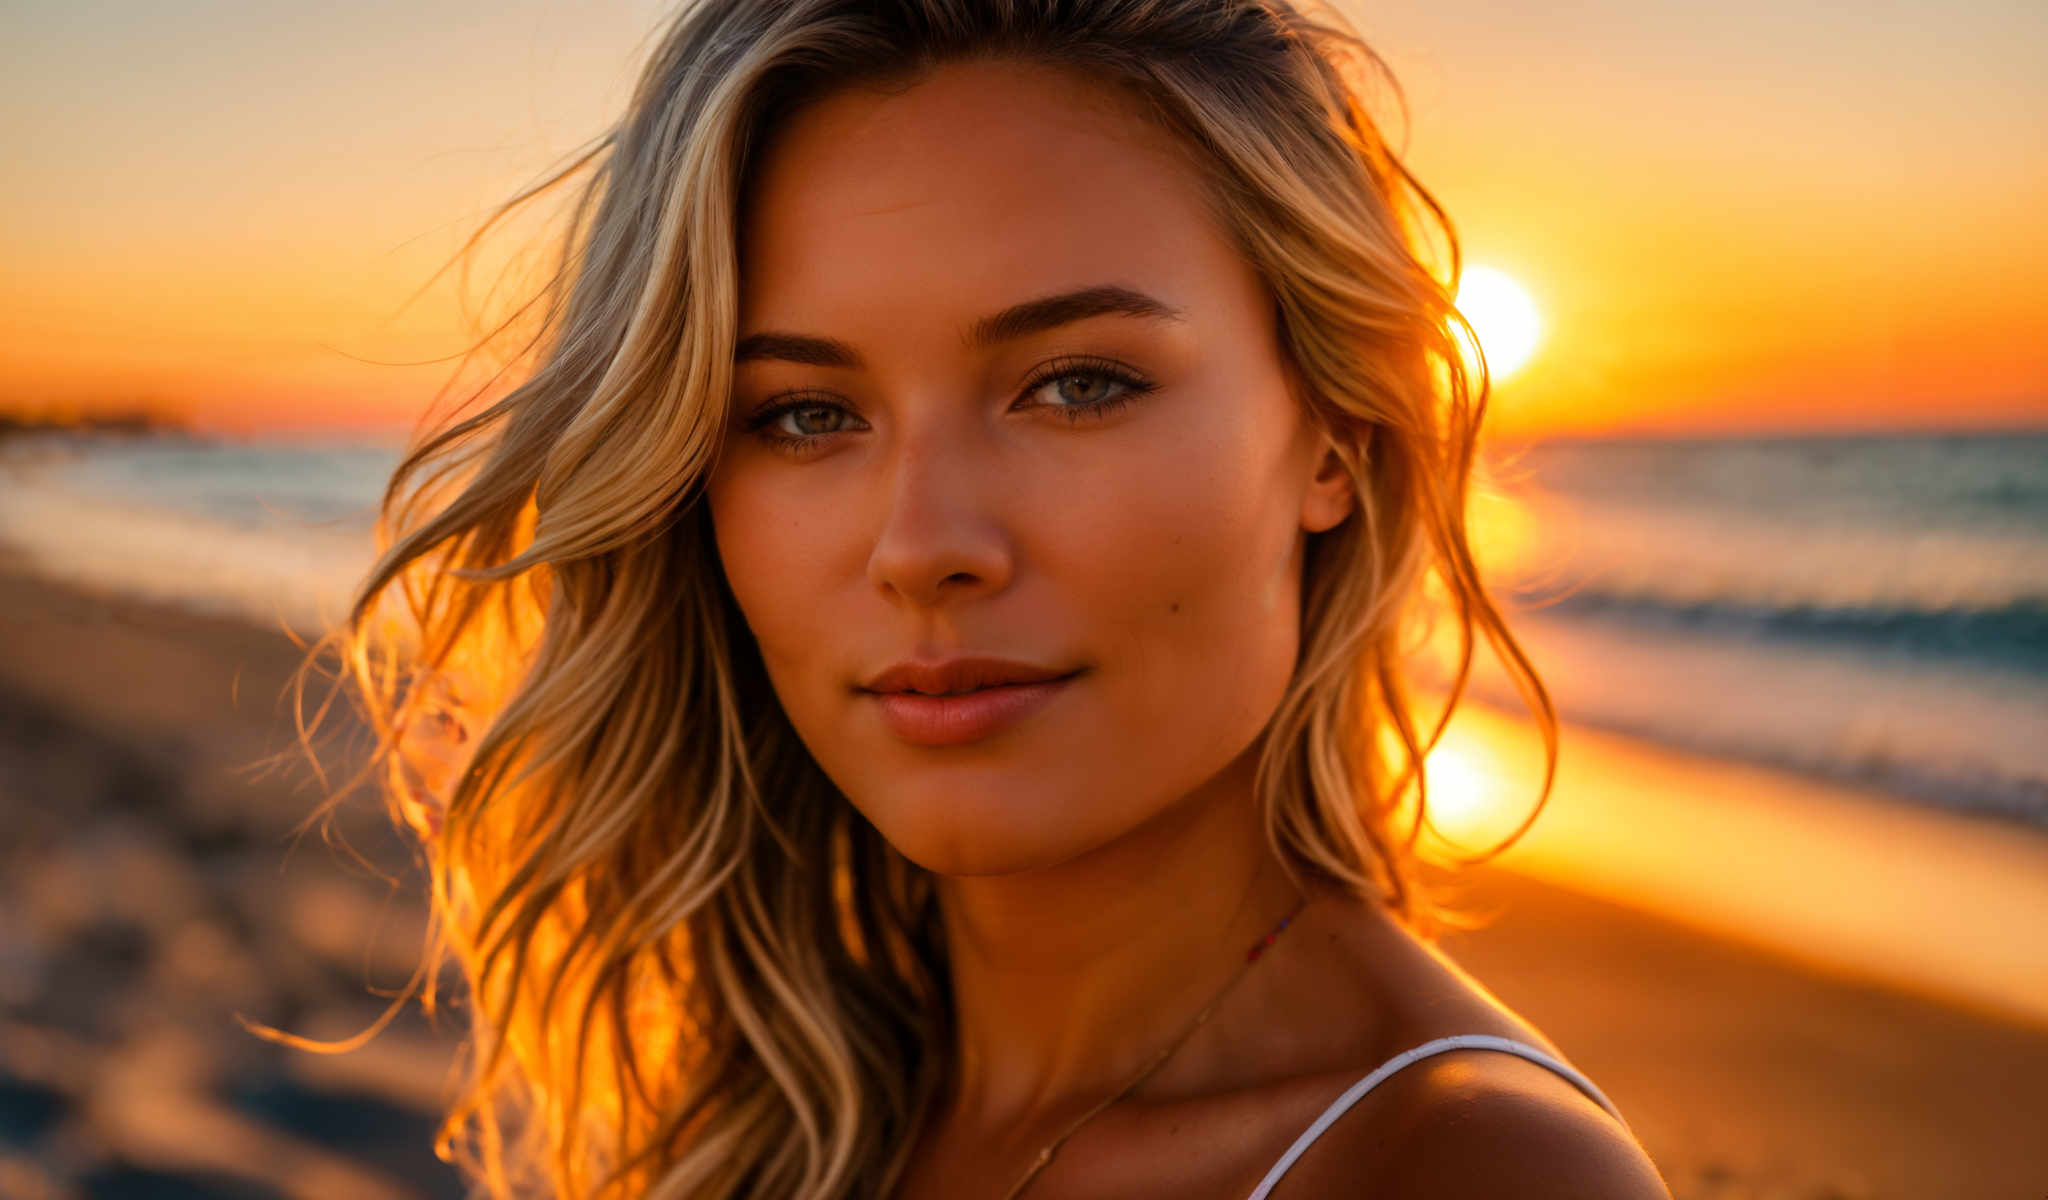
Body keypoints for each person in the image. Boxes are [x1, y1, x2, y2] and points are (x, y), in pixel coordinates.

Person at [347, 1, 1672, 1196]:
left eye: (1078, 383)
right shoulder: (807, 1112)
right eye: (806, 414)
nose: (923, 546)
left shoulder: (1464, 1170)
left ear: (1337, 435)